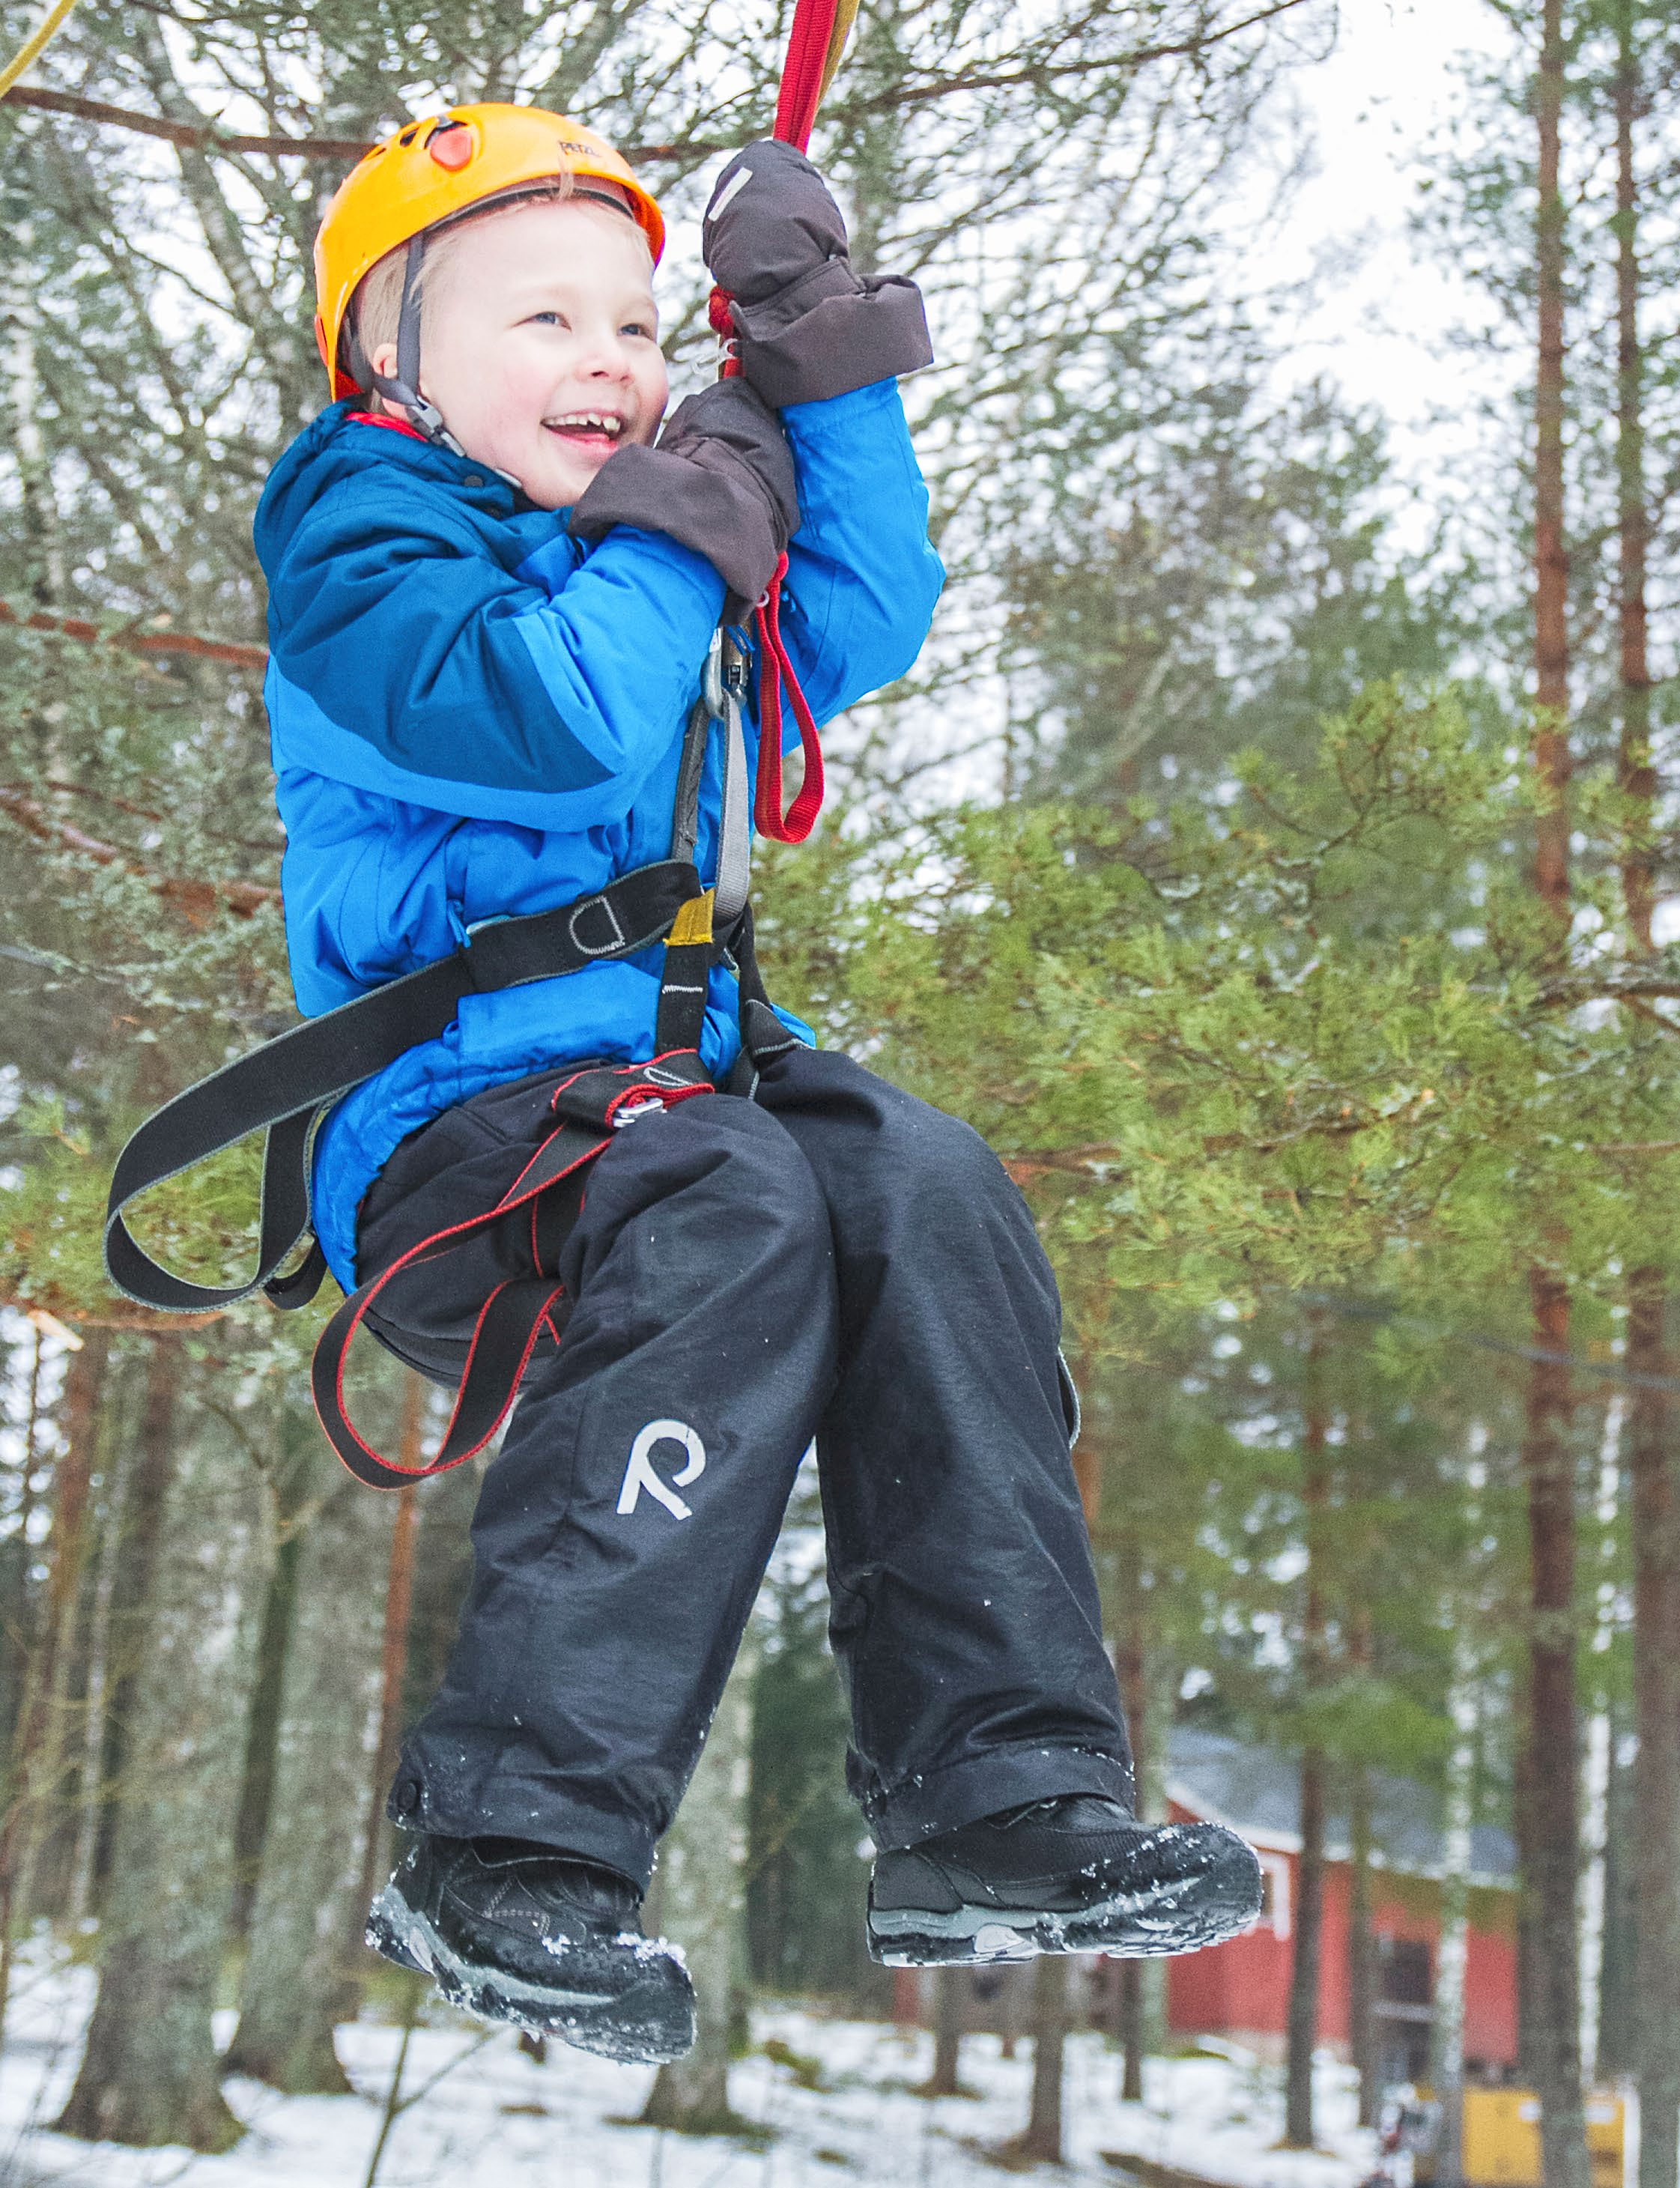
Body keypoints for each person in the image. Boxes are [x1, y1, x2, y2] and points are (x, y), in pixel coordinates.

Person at [259, 102, 1261, 2064]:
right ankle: (508, 1846)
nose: (613, 365)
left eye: (636, 328)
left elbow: (863, 618)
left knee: (921, 1179)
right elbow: (551, 725)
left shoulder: (652, 523)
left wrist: (815, 376)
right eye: (541, 321)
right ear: (393, 355)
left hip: (674, 1105)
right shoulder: (360, 524)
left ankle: (996, 1794)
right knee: (730, 1204)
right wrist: (680, 517)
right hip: (449, 1134)